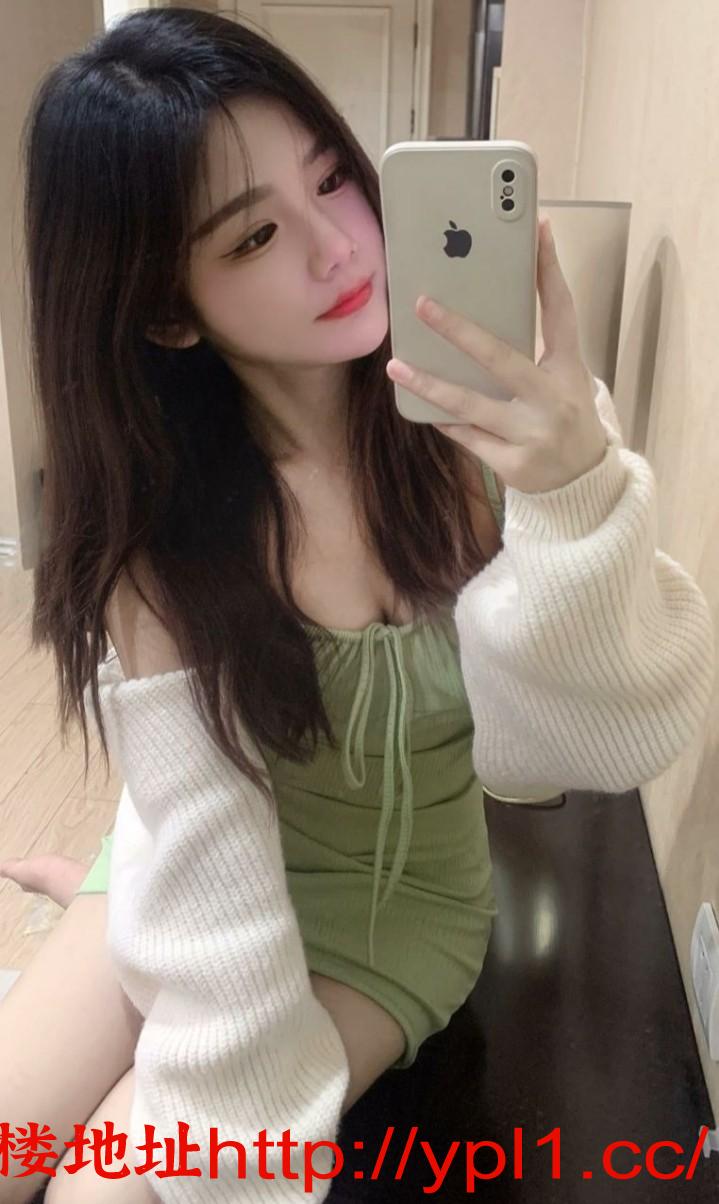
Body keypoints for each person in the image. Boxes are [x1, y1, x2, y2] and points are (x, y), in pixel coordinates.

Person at [0, 6, 713, 1202]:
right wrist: (153, 958)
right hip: (190, 869)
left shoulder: (503, 429)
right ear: (167, 311)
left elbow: (568, 755)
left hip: (392, 913)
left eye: (332, 178)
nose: (338, 248)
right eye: (253, 235)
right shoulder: (162, 530)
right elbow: (208, 855)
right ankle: (99, 913)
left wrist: (576, 493)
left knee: (101, 1187)